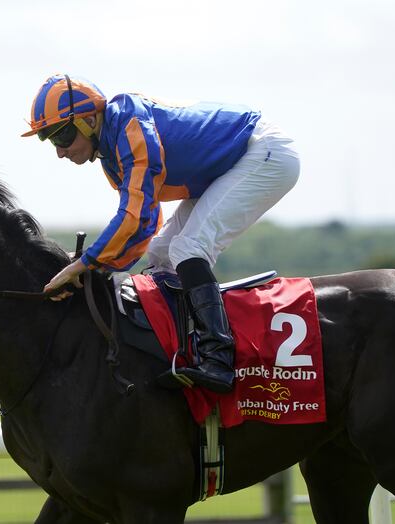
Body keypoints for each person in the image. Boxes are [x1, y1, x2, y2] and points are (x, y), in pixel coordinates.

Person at [22, 74, 300, 393]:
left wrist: (84, 264)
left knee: (189, 250)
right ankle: (180, 347)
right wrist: (92, 264)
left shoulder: (129, 127)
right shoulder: (112, 150)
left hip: (264, 152)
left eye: (63, 136)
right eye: (50, 139)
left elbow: (135, 215)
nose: (60, 151)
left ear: (88, 120)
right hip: (230, 164)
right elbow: (145, 225)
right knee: (161, 252)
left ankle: (219, 359)